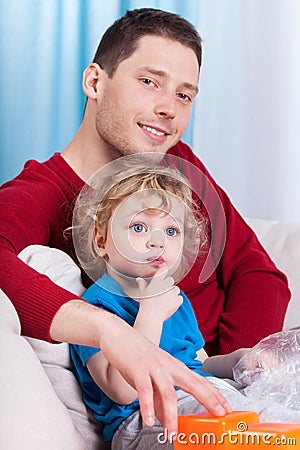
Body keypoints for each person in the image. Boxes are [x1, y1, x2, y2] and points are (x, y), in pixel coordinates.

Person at [0, 7, 290, 448]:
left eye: (185, 95)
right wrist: (107, 330)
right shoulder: (40, 193)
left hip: (221, 394)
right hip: (152, 415)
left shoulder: (179, 168)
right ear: (95, 82)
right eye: (149, 82)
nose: (168, 110)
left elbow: (259, 274)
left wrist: (231, 383)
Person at [69, 158, 299, 450]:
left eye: (170, 231)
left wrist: (239, 360)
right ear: (102, 240)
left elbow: (200, 364)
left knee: (274, 419)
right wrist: (149, 314)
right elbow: (122, 391)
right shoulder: (95, 307)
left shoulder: (173, 299)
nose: (157, 242)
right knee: (260, 432)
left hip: (206, 395)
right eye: (139, 227)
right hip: (146, 420)